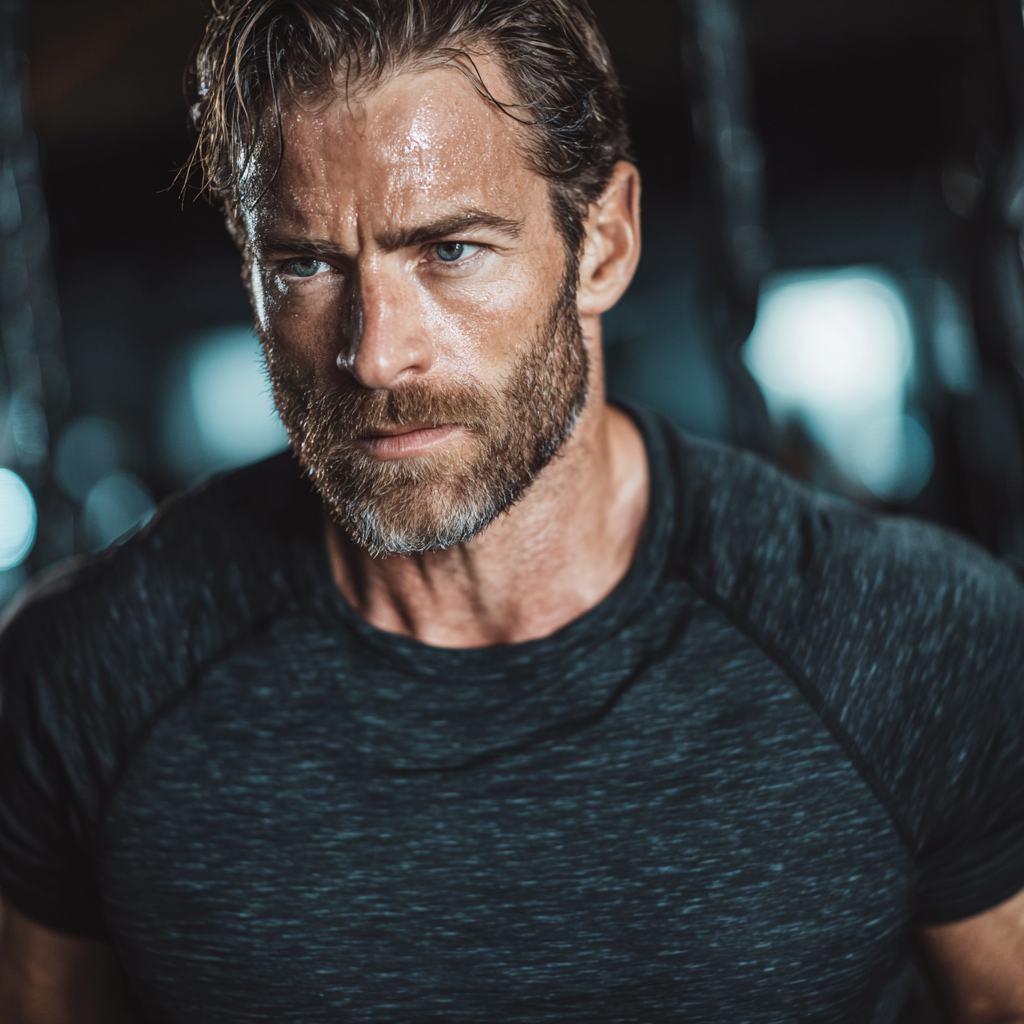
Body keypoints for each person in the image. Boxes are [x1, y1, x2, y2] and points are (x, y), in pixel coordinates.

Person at [1, 0, 1024, 1020]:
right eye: (305, 265)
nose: (374, 352)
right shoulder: (90, 673)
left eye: (449, 250)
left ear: (604, 245)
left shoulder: (907, 634)